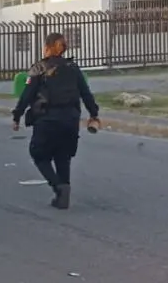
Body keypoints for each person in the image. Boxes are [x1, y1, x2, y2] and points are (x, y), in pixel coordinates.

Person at [10, 32, 101, 210]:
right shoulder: (73, 68)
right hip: (70, 120)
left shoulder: (39, 68)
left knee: (38, 154)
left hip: (47, 119)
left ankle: (57, 186)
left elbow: (27, 94)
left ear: (47, 48)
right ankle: (63, 194)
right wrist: (94, 113)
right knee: (63, 156)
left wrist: (17, 115)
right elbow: (85, 93)